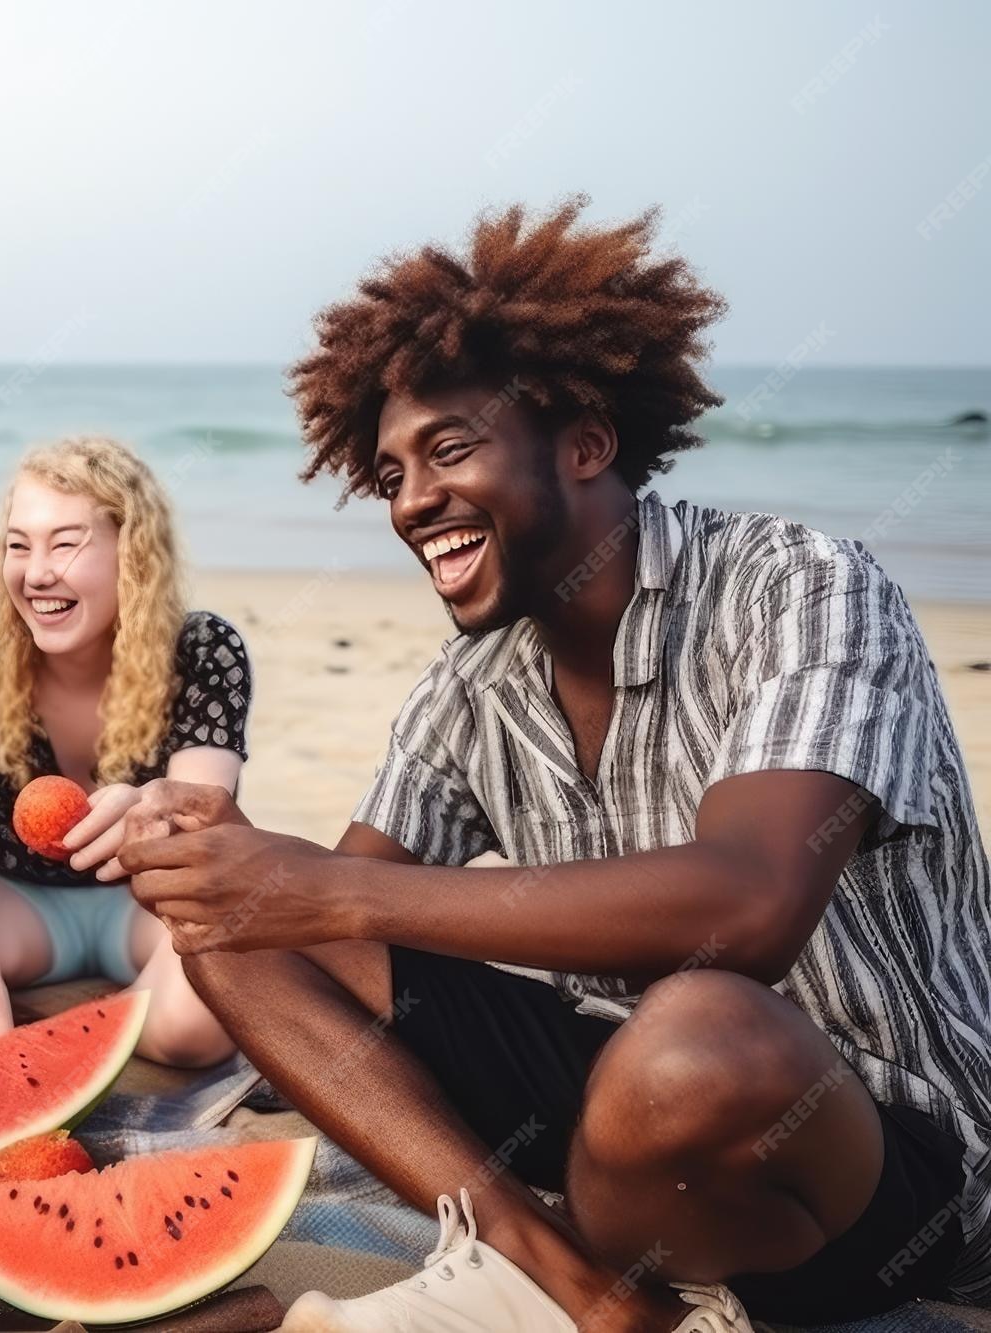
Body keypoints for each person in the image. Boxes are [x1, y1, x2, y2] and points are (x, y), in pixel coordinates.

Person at [116, 201, 990, 1331]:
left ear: (582, 441)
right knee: (232, 924)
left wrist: (324, 886)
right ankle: (577, 1289)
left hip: (874, 1147)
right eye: (387, 476)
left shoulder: (802, 587)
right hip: (619, 1101)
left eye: (448, 449)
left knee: (689, 1041)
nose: (413, 501)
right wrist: (227, 862)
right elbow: (339, 930)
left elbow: (752, 903)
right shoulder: (470, 683)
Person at [0, 436, 250, 1067]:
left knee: (192, 1034)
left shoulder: (205, 650)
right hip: (23, 910)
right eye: (19, 546)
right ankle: (95, 1008)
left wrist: (152, 815)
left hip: (147, 906)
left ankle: (71, 1022)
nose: (37, 572)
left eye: (66, 543)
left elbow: (204, 824)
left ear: (132, 555)